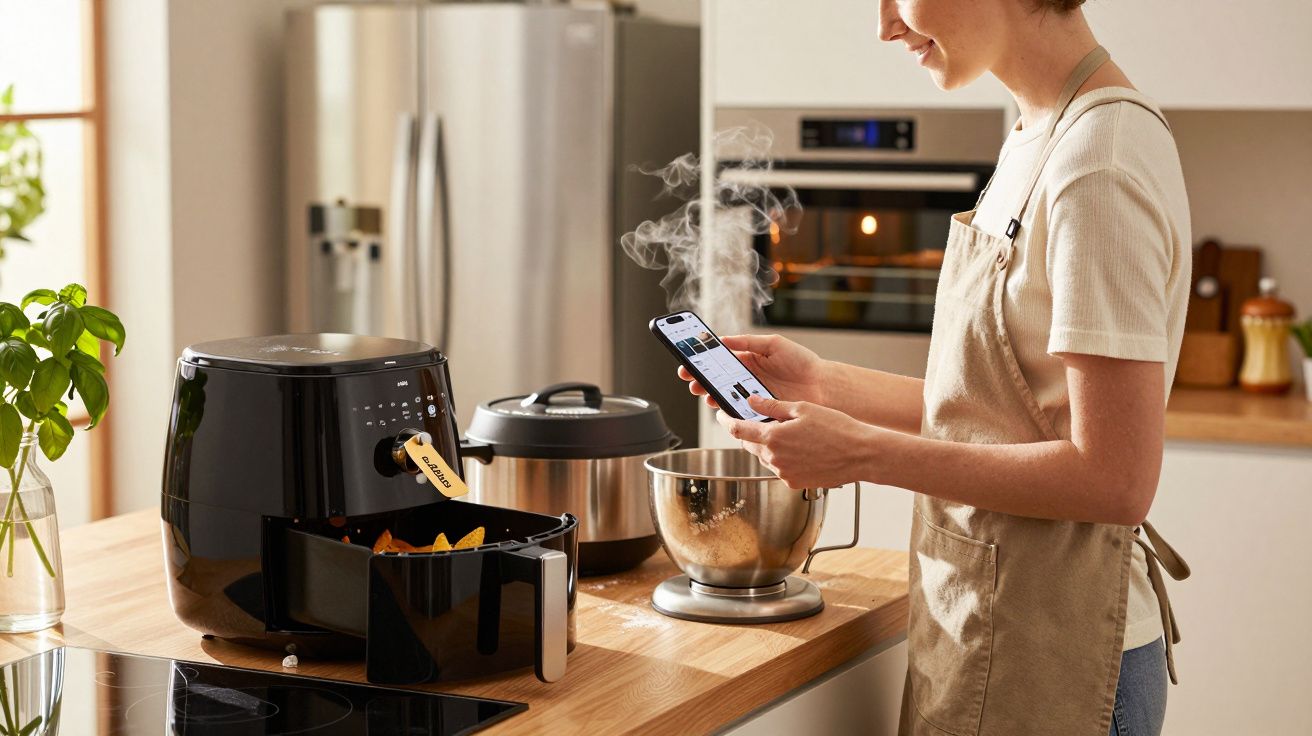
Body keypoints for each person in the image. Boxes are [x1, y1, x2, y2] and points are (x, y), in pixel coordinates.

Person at [677, 1, 1192, 734]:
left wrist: (860, 453)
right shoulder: (1038, 133)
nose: (884, 24)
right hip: (991, 625)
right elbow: (1002, 413)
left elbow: (1114, 479)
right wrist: (828, 385)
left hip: (1059, 654)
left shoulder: (1098, 161)